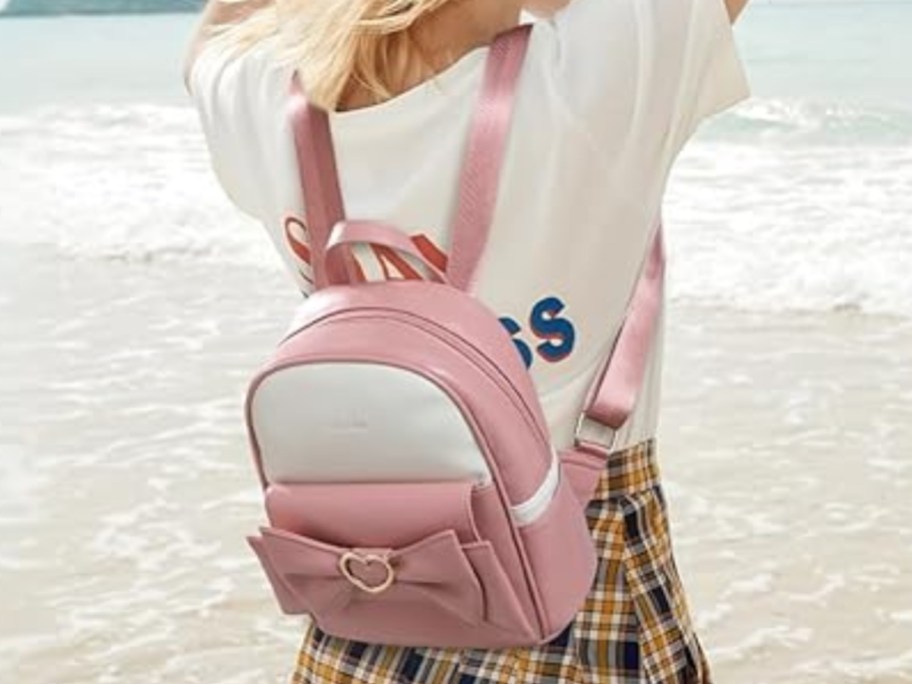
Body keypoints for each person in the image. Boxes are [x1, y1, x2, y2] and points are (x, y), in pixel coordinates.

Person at [183, 0, 751, 681]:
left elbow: (211, 39)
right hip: (576, 571)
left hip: (366, 594)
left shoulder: (262, 94)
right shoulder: (597, 69)